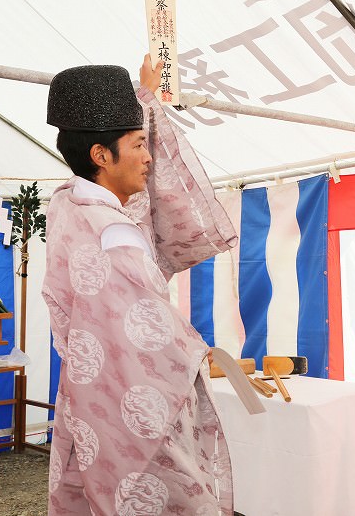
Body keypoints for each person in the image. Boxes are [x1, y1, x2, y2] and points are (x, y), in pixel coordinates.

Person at [43, 56, 239, 515]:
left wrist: (143, 104)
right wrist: (196, 350)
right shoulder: (117, 235)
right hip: (133, 409)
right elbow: (152, 339)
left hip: (89, 398)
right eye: (137, 144)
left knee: (93, 494)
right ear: (100, 156)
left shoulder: (67, 205)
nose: (150, 157)